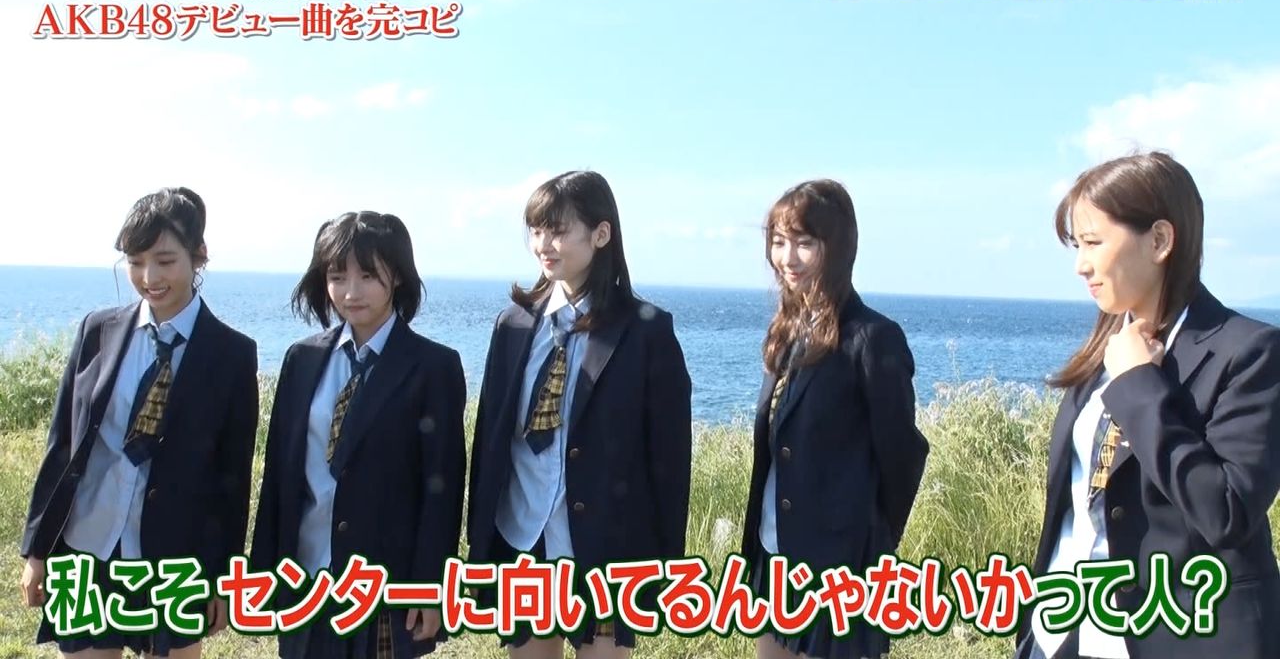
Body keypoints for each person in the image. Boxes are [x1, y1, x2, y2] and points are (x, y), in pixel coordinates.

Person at [1017, 152, 1280, 659]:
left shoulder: (1250, 353)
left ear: (1159, 240)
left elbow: (1226, 512)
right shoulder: (1104, 349)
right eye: (1077, 245)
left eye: (1093, 242)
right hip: (1065, 630)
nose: (1081, 265)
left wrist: (1139, 384)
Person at [21, 187, 259, 657]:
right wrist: (37, 549)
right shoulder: (98, 330)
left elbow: (232, 481)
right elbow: (62, 445)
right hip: (87, 549)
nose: (150, 278)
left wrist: (222, 576)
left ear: (199, 255)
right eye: (135, 261)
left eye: (165, 261)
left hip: (177, 562)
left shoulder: (232, 354)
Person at [466, 170, 693, 658]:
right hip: (523, 540)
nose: (543, 245)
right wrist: (478, 543)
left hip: (608, 552)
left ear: (601, 233)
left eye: (558, 230)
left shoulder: (646, 332)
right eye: (536, 230)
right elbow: (490, 440)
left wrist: (665, 568)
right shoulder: (513, 325)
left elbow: (671, 461)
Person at [250, 211, 466, 658]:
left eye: (368, 275)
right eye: (337, 276)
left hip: (385, 584)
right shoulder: (302, 359)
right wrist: (262, 575)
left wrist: (432, 585)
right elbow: (279, 477)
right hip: (305, 578)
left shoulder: (433, 367)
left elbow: (442, 490)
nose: (351, 291)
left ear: (398, 276)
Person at [742, 178, 929, 659]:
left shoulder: (873, 338)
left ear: (838, 246)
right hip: (773, 552)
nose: (788, 258)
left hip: (839, 568)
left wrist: (869, 541)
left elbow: (902, 456)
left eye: (804, 242)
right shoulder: (786, 331)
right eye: (779, 242)